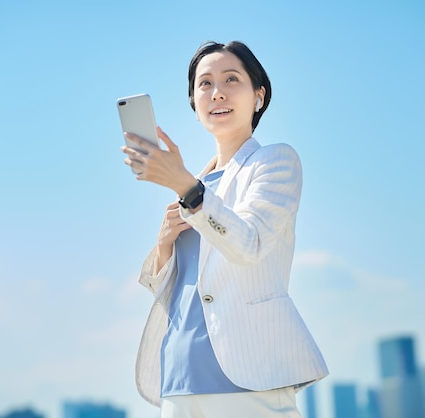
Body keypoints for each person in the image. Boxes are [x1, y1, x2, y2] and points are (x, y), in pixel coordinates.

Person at [121, 40, 328, 418]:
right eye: (204, 84)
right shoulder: (196, 181)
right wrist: (164, 246)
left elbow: (249, 243)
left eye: (231, 80)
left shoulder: (273, 162)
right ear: (194, 103)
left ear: (259, 96)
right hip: (179, 380)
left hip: (250, 375)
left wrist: (186, 187)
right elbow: (176, 289)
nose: (216, 92)